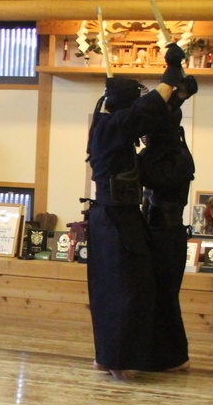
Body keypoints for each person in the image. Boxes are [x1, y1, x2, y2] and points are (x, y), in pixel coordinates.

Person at [85, 43, 189, 381]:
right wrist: (171, 71)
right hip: (114, 219)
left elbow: (155, 110)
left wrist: (179, 91)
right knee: (126, 291)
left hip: (123, 217)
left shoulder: (113, 126)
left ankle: (118, 356)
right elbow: (149, 107)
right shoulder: (113, 126)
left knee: (135, 288)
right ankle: (116, 359)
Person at [138, 75, 198, 374]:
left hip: (167, 234)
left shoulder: (174, 158)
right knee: (154, 296)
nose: (144, 137)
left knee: (164, 297)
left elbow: (154, 180)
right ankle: (156, 355)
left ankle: (173, 357)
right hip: (155, 232)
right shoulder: (165, 153)